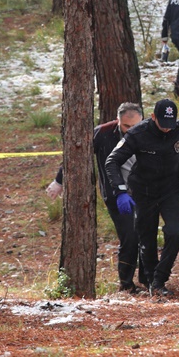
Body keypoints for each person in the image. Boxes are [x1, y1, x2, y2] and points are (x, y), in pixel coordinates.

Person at [46, 102, 147, 294]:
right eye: (126, 127)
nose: (131, 131)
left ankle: (147, 279)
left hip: (143, 192)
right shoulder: (102, 134)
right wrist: (59, 181)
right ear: (118, 121)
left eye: (136, 126)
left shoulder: (148, 132)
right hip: (117, 195)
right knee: (130, 236)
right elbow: (75, 154)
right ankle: (126, 284)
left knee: (146, 236)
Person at [104, 99, 179, 297]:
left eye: (170, 124)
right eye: (162, 123)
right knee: (146, 239)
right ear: (153, 117)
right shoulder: (138, 133)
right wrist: (120, 190)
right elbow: (112, 160)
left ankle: (159, 279)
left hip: (170, 190)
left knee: (174, 233)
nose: (166, 129)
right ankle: (152, 284)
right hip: (143, 191)